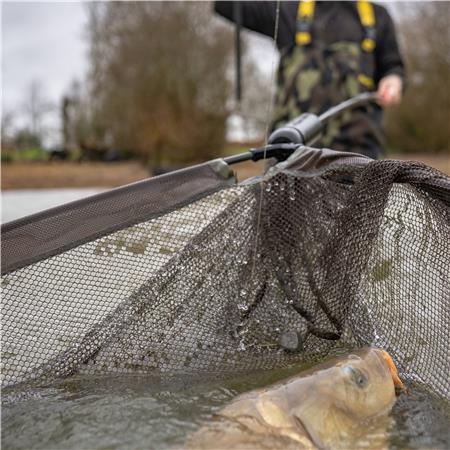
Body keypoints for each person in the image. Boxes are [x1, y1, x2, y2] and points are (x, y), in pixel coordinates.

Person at [214, 1, 405, 159]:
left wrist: (393, 81)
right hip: (291, 153)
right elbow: (226, 5)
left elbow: (393, 66)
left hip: (359, 154)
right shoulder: (287, 11)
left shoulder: (378, 17)